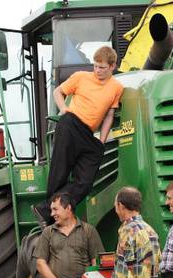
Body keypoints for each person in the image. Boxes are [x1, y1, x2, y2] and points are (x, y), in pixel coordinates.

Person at [32, 46, 124, 226]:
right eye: (95, 66)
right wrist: (64, 109)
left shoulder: (116, 87)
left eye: (102, 67)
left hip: (89, 135)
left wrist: (102, 140)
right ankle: (51, 216)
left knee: (85, 183)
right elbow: (57, 92)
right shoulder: (81, 77)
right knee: (60, 174)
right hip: (70, 125)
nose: (97, 70)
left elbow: (109, 115)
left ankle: (45, 209)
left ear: (112, 66)